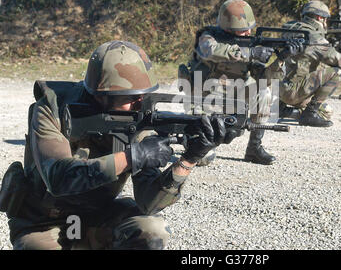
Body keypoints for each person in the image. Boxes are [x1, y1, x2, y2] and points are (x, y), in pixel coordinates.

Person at [0, 40, 233, 250]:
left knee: (153, 231)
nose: (139, 103)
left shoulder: (137, 120)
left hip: (96, 217)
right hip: (41, 223)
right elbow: (59, 179)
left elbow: (148, 203)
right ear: (101, 95)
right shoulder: (52, 109)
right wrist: (133, 157)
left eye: (143, 95)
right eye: (132, 97)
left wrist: (188, 159)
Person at [180, 0, 299, 166]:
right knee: (202, 158)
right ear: (228, 28)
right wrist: (250, 53)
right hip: (205, 99)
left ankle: (254, 148)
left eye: (249, 29)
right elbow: (211, 51)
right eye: (243, 30)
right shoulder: (208, 37)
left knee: (264, 90)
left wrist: (281, 59)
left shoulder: (248, 45)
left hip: (233, 96)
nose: (248, 33)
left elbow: (264, 77)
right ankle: (192, 138)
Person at [271, 0, 341, 127]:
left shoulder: (291, 28)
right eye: (325, 19)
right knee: (338, 73)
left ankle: (283, 110)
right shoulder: (314, 37)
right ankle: (310, 114)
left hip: (279, 88)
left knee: (326, 112)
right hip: (294, 92)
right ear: (320, 18)